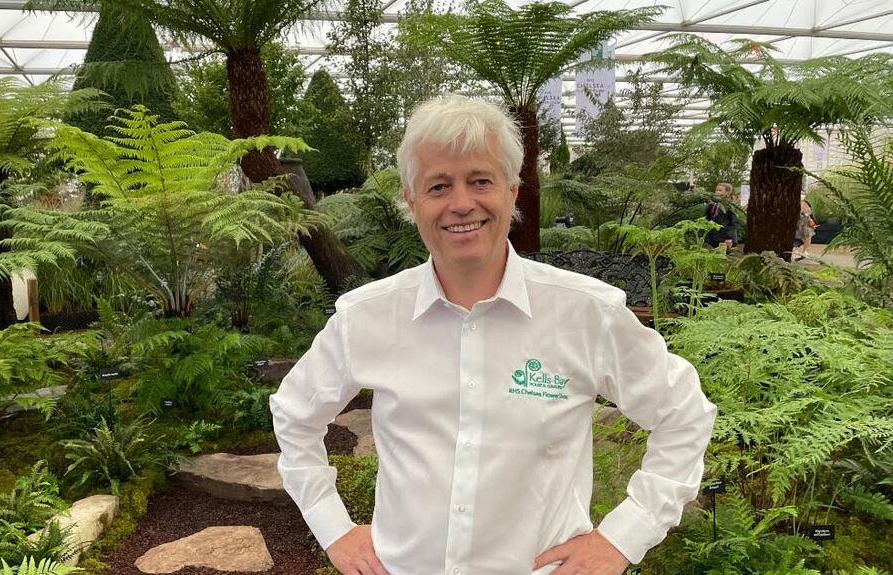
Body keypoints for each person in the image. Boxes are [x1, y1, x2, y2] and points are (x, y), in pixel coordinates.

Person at [270, 95, 717, 575]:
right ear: (411, 200)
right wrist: (333, 528)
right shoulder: (368, 316)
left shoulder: (586, 313)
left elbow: (683, 414)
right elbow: (295, 414)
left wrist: (622, 538)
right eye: (438, 185)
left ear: (512, 190)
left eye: (480, 180)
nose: (462, 204)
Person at [705, 183, 740, 249]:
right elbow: (707, 219)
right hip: (713, 239)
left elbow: (734, 223)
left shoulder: (730, 206)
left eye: (720, 190)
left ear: (727, 193)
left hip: (726, 239)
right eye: (716, 190)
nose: (717, 192)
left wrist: (729, 238)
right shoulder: (712, 205)